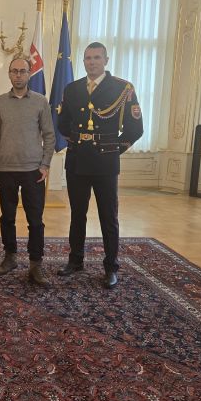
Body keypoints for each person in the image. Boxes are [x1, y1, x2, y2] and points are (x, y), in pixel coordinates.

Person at [57, 41, 143, 288]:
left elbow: (135, 128)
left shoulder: (123, 88)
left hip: (105, 163)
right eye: (88, 58)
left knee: (108, 217)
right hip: (77, 161)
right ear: (83, 61)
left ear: (106, 60)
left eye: (96, 57)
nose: (92, 62)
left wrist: (113, 149)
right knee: (77, 215)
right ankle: (75, 261)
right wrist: (78, 141)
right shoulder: (72, 89)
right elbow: (63, 124)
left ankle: (111, 267)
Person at [0, 57, 55, 286]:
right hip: (5, 170)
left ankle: (36, 264)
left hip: (32, 171)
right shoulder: (0, 102)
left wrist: (45, 165)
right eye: (14, 71)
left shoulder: (40, 101)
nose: (18, 75)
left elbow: (49, 135)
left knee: (35, 220)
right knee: (7, 217)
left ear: (29, 74)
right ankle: (10, 257)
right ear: (9, 74)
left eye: (23, 71)